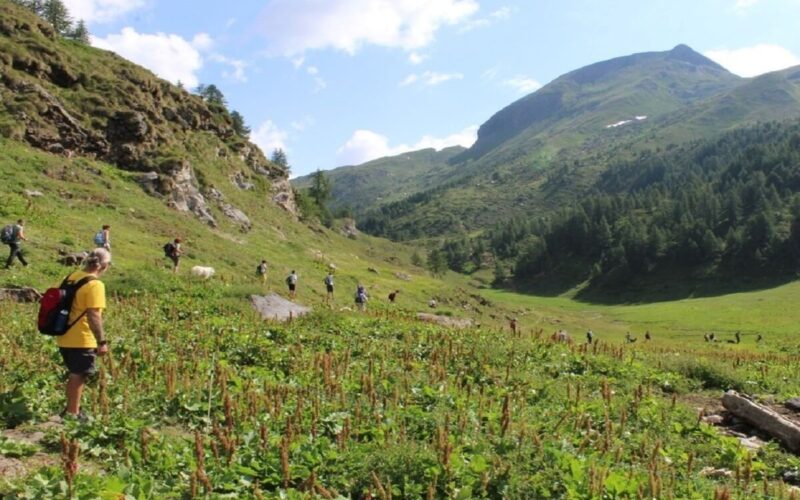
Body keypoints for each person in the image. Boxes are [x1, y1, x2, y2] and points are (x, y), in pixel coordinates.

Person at [55, 248, 111, 421]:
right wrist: (102, 341)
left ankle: (72, 409)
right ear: (102, 266)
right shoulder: (95, 284)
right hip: (81, 337)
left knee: (75, 373)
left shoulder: (72, 277)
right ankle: (73, 414)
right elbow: (94, 315)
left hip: (64, 334)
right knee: (78, 375)